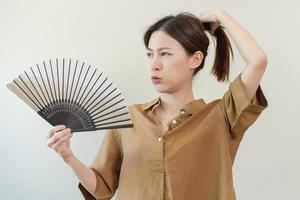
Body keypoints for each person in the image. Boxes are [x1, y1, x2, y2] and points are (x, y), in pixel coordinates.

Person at [46, 10, 268, 200]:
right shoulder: (128, 119)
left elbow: (257, 60)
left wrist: (221, 16)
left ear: (195, 59)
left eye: (165, 54)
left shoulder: (223, 116)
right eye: (150, 55)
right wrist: (68, 155)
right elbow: (102, 188)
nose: (154, 65)